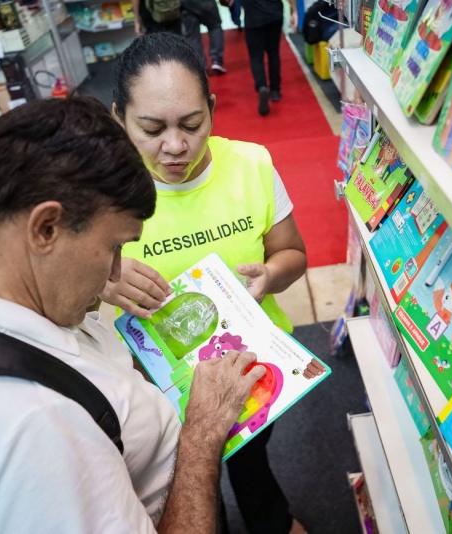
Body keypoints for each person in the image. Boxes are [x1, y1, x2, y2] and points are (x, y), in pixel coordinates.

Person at [0, 96, 267, 532]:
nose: (116, 273)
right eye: (113, 248)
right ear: (45, 228)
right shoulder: (27, 426)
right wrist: (201, 435)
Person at [105, 33, 308, 534]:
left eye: (192, 125)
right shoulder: (101, 191)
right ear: (119, 118)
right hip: (157, 385)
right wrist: (103, 278)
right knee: (184, 481)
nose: (175, 146)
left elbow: (294, 255)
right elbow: (47, 294)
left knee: (250, 462)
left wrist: (272, 274)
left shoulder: (252, 165)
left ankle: (271, 522)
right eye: (151, 129)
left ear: (212, 109)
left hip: (249, 369)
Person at [240, 0, 297, 115]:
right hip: (274, 15)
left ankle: (262, 86)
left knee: (256, 56)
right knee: (273, 53)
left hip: (253, 18)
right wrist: (294, 11)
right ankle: (275, 90)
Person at [182, 0, 227, 74]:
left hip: (186, 4)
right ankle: (217, 60)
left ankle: (201, 64)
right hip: (206, 3)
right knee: (215, 27)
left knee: (193, 36)